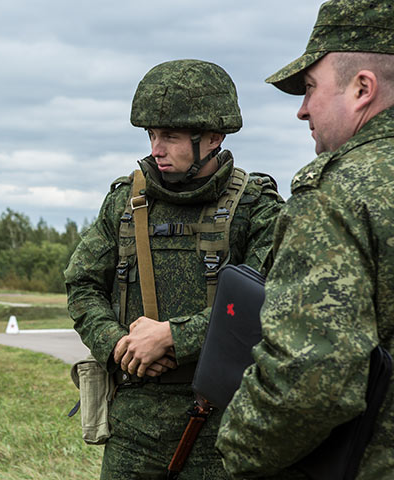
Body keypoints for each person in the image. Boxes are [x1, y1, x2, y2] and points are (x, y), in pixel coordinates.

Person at [64, 59, 284, 479]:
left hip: (222, 422)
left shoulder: (256, 208)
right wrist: (117, 345)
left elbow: (270, 300)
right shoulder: (124, 203)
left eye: (170, 135)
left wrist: (172, 337)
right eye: (151, 134)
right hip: (133, 424)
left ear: (214, 136)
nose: (156, 148)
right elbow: (83, 285)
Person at [216, 1, 394, 478]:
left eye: (311, 88)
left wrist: (236, 448)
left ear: (362, 88)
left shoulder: (338, 194)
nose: (301, 110)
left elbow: (313, 380)